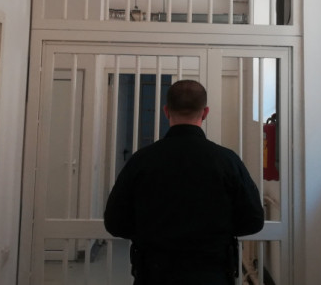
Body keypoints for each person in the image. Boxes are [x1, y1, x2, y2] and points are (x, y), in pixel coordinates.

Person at [104, 79, 265, 285]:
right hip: (212, 273)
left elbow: (115, 222)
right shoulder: (227, 160)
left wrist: (148, 233)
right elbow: (253, 221)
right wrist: (218, 233)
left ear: (166, 111)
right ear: (205, 113)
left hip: (154, 272)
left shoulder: (141, 160)